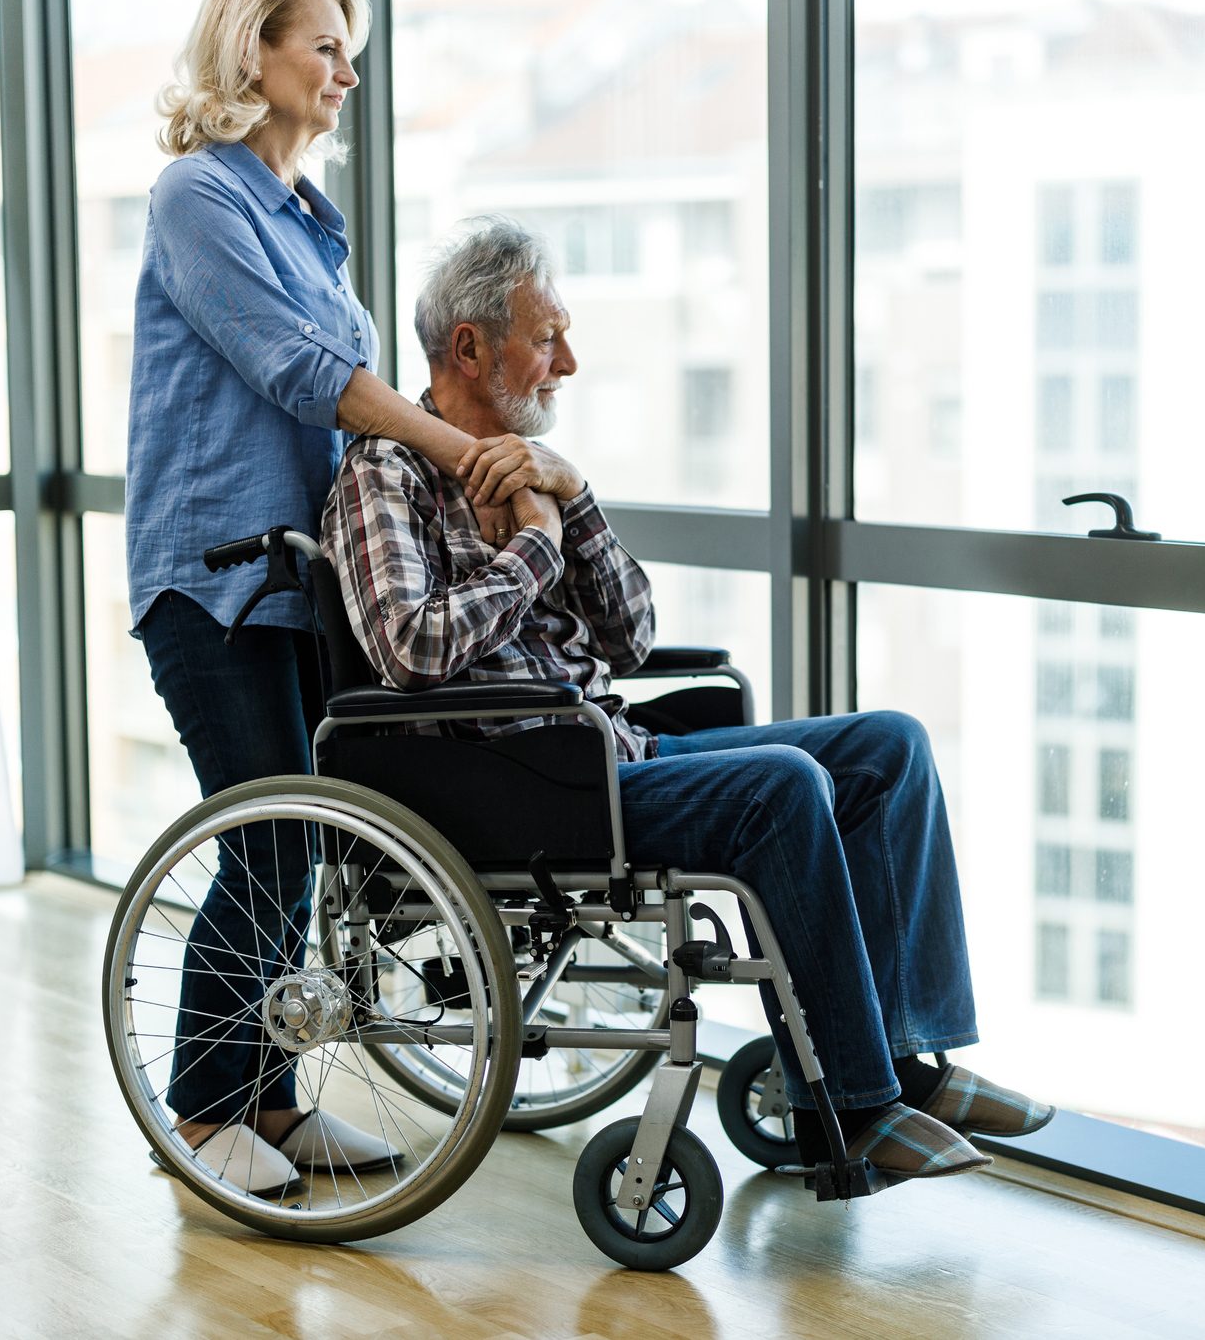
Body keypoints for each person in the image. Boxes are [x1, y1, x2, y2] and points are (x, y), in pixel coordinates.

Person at [321, 216, 1055, 1184]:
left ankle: (909, 1059)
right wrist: (533, 550)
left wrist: (572, 500)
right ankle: (854, 1105)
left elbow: (627, 640)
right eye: (548, 338)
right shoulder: (387, 473)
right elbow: (410, 650)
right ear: (468, 346)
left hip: (599, 751)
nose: (568, 363)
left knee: (889, 745)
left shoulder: (541, 473)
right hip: (507, 780)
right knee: (781, 787)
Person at [126, 0, 550, 1196]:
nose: (346, 73)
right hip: (211, 576)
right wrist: (463, 446)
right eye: (325, 47)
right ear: (252, 54)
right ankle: (203, 1118)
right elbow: (302, 371)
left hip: (303, 577)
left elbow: (352, 404)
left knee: (307, 841)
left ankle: (269, 1095)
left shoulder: (311, 220)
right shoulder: (197, 198)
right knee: (266, 837)